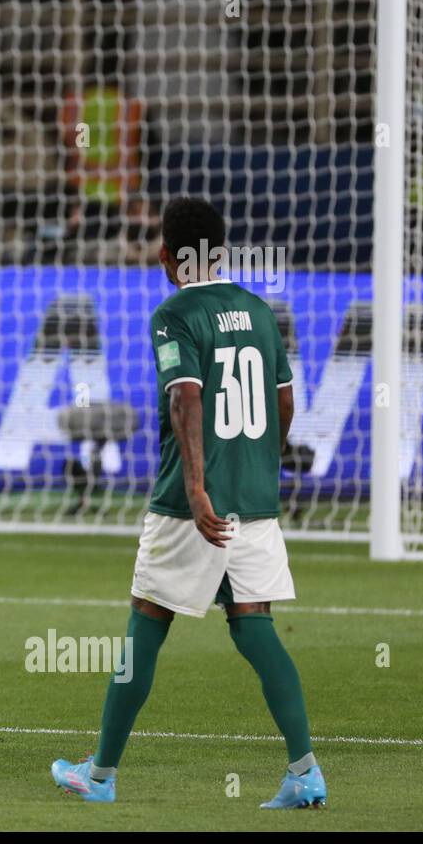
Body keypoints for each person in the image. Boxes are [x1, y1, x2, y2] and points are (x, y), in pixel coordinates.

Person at [51, 198, 325, 809]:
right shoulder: (259, 311)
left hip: (188, 507)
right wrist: (264, 461)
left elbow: (185, 400)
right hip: (254, 502)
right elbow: (285, 401)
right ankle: (305, 771)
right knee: (254, 626)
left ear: (169, 258)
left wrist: (199, 486)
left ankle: (99, 777)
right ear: (221, 251)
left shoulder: (175, 313)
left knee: (145, 627)